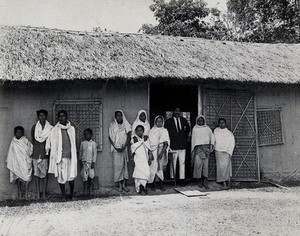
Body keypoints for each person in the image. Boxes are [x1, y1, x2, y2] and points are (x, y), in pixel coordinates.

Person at [46, 110, 77, 201]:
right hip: (60, 157)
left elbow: (73, 143)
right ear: (58, 118)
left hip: (70, 156)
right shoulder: (55, 130)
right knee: (61, 177)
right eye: (60, 116)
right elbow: (50, 141)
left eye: (63, 116)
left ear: (66, 117)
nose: (62, 118)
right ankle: (63, 195)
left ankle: (71, 194)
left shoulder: (71, 129)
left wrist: (72, 153)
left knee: (71, 176)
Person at [164, 107, 190, 186]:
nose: (177, 112)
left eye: (179, 111)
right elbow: (165, 132)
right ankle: (173, 179)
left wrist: (184, 138)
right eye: (176, 111)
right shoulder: (168, 121)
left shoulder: (184, 120)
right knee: (173, 162)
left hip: (182, 145)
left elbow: (188, 129)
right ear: (173, 112)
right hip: (173, 145)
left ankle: (182, 179)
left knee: (182, 162)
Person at [31, 109, 53, 200]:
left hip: (45, 154)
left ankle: (43, 193)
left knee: (44, 174)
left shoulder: (50, 128)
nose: (42, 117)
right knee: (36, 174)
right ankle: (37, 193)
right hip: (36, 153)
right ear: (38, 117)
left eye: (43, 115)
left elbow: (51, 141)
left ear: (46, 116)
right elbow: (33, 139)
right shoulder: (34, 127)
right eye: (40, 115)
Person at [6, 126, 33, 200]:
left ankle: (26, 193)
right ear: (15, 133)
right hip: (16, 162)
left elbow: (30, 149)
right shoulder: (13, 141)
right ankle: (20, 192)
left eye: (20, 132)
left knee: (27, 176)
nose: (19, 134)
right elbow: (11, 153)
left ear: (22, 133)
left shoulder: (25, 140)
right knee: (17, 176)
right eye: (17, 132)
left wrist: (27, 154)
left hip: (24, 161)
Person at [109, 110, 131, 193]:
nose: (119, 117)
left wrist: (124, 147)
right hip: (116, 149)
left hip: (124, 148)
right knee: (118, 167)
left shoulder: (126, 124)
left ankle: (124, 185)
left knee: (124, 167)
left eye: (120, 115)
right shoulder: (112, 125)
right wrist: (116, 147)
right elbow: (110, 137)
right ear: (115, 117)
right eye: (117, 115)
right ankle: (120, 186)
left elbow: (129, 136)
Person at [191, 115, 214, 189]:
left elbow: (212, 138)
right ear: (196, 121)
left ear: (204, 121)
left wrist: (211, 147)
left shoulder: (207, 129)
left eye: (201, 120)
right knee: (198, 166)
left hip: (206, 150)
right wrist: (200, 147)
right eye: (199, 120)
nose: (200, 122)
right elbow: (194, 140)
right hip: (198, 149)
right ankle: (200, 181)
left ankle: (205, 181)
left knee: (205, 166)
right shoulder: (195, 129)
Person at [148, 116, 170, 192]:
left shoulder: (165, 131)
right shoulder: (151, 131)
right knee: (153, 167)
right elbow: (150, 143)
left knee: (160, 168)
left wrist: (161, 152)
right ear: (155, 122)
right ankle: (153, 185)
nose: (159, 123)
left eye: (161, 121)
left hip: (161, 151)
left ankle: (161, 185)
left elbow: (166, 143)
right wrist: (150, 153)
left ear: (163, 122)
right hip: (153, 151)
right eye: (158, 121)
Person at [214, 118, 235, 190]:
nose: (221, 124)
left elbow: (232, 142)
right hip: (218, 151)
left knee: (227, 167)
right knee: (220, 167)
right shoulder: (216, 131)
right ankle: (222, 182)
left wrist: (229, 151)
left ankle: (227, 181)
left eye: (223, 123)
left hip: (226, 151)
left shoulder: (229, 133)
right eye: (220, 123)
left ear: (225, 123)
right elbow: (214, 140)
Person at [131, 125, 151, 195]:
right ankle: (138, 188)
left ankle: (144, 187)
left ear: (143, 131)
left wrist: (150, 157)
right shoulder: (134, 139)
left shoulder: (146, 139)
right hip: (138, 158)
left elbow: (149, 148)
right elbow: (132, 150)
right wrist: (132, 159)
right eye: (138, 131)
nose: (139, 132)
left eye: (141, 130)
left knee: (145, 172)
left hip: (145, 159)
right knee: (138, 173)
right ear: (136, 131)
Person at [79, 128, 97, 195]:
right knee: (84, 176)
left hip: (90, 162)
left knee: (91, 176)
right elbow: (80, 152)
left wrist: (93, 162)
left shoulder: (93, 144)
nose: (86, 136)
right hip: (84, 162)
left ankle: (90, 189)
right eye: (85, 135)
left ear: (91, 135)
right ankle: (85, 189)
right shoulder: (82, 143)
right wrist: (80, 161)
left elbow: (94, 154)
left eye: (87, 134)